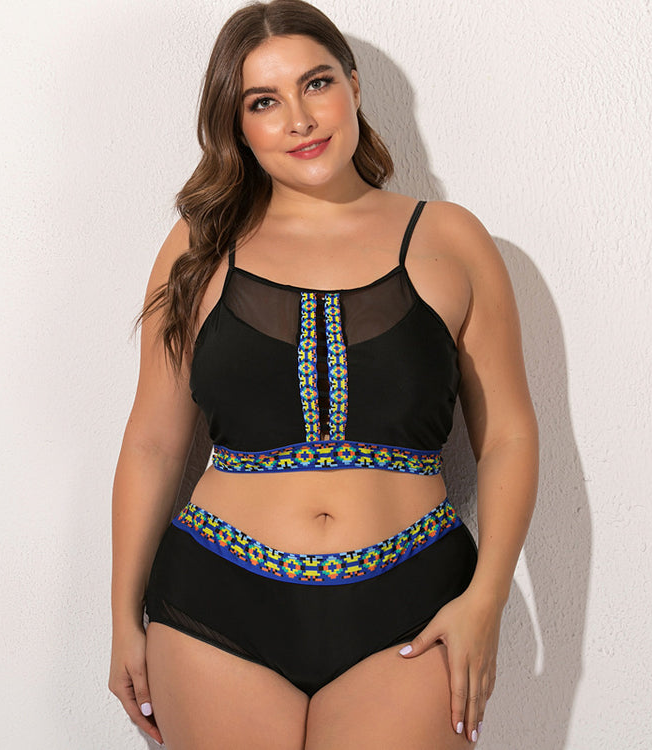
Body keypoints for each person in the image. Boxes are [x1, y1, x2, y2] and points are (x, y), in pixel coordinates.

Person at [108, 1, 539, 747]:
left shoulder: (450, 238)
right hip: (215, 603)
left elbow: (507, 437)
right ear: (236, 123)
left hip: (415, 605)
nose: (300, 119)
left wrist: (488, 599)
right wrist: (121, 617)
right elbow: (152, 440)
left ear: (354, 85)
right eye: (263, 101)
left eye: (316, 83)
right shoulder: (198, 245)